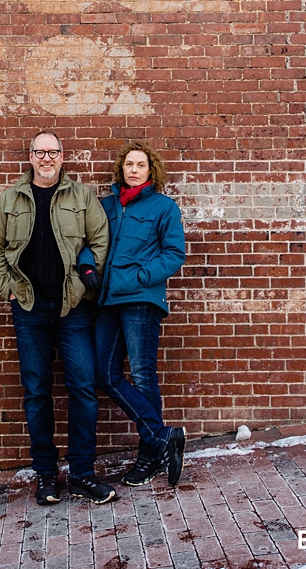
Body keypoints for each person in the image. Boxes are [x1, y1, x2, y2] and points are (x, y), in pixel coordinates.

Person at [0, 131, 116, 506]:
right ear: (30, 157)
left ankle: (82, 474)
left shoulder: (81, 196)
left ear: (62, 157)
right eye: (39, 152)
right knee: (37, 393)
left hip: (72, 308)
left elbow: (99, 240)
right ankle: (45, 475)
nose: (46, 158)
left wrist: (84, 283)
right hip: (28, 308)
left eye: (52, 152)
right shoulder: (11, 198)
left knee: (84, 390)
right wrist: (6, 285)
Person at [94, 141, 188, 487]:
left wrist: (141, 277)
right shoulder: (105, 207)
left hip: (140, 300)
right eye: (129, 164)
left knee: (144, 375)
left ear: (151, 171)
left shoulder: (163, 207)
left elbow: (174, 253)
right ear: (121, 169)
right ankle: (164, 437)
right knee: (104, 374)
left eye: (141, 165)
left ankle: (149, 456)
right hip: (107, 301)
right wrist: (89, 271)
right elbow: (91, 244)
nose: (134, 170)